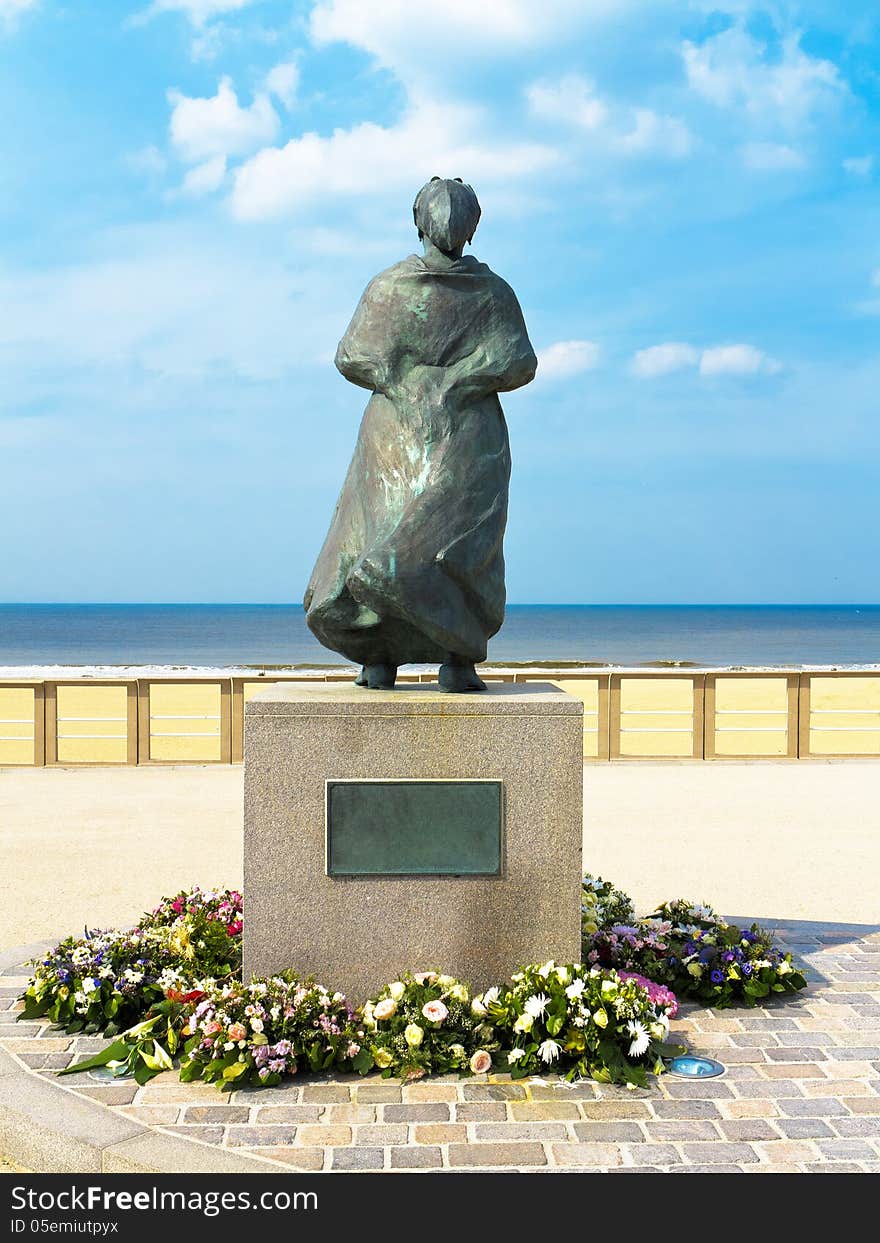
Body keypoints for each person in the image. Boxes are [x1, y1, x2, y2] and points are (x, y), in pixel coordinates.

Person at [304, 177, 537, 692]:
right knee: (405, 539)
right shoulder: (400, 288)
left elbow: (520, 361)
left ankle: (438, 655)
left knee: (456, 544)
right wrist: (420, 380)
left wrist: (439, 379)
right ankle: (389, 651)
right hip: (405, 436)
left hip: (458, 435)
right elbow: (352, 355)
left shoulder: (485, 292)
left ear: (416, 222)